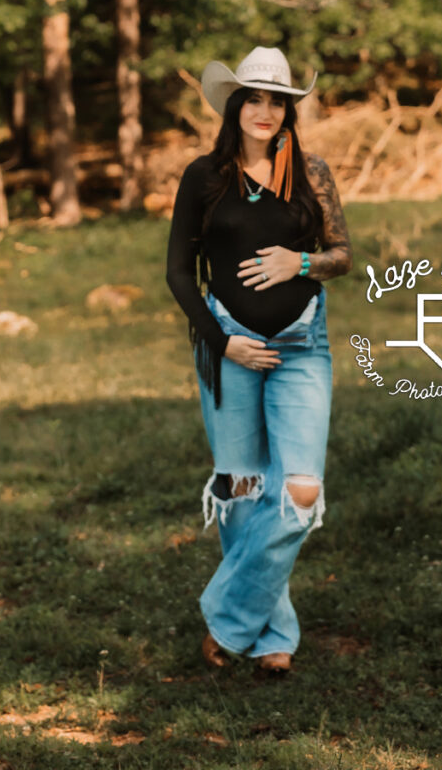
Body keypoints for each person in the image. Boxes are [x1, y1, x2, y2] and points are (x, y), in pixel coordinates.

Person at [165, 45, 352, 672]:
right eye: (256, 98)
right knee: (243, 489)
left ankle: (226, 615)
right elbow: (177, 274)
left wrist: (297, 262)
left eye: (279, 101)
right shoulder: (204, 177)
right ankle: (272, 637)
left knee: (300, 491)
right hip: (230, 347)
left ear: (288, 110)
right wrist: (223, 343)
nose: (266, 110)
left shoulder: (312, 173)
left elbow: (343, 256)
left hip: (302, 345)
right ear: (235, 104)